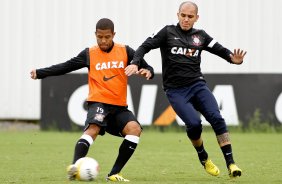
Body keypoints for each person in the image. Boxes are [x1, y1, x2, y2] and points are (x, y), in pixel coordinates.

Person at [125, 1, 246, 178]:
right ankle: (203, 157)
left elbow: (220, 50)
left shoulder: (201, 36)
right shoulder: (167, 32)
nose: (186, 19)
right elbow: (144, 46)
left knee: (217, 119)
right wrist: (135, 62)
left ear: (197, 18)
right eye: (183, 15)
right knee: (194, 124)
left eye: (190, 16)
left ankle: (231, 164)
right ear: (178, 14)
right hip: (175, 91)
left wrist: (232, 59)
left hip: (198, 85)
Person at [30, 18, 154, 182]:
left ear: (113, 35)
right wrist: (40, 73)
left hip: (119, 107)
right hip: (99, 102)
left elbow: (148, 67)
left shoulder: (126, 51)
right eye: (100, 37)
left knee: (134, 129)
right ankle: (74, 168)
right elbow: (66, 66)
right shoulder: (89, 54)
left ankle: (114, 174)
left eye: (107, 37)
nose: (103, 40)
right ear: (95, 34)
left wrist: (147, 72)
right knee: (93, 129)